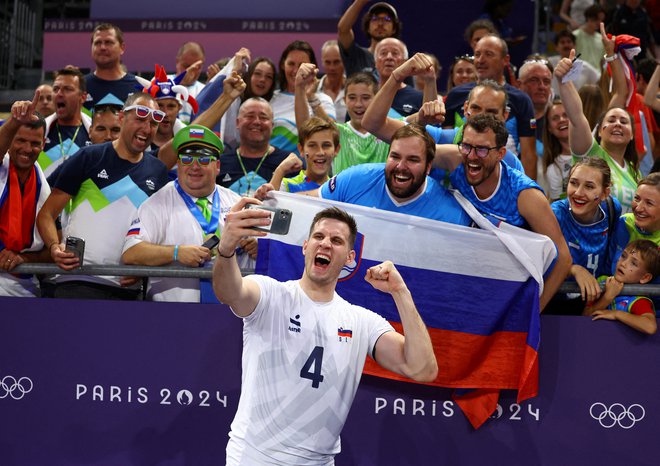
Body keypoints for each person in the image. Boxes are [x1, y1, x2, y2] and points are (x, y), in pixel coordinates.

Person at [213, 203, 437, 464]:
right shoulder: (270, 294)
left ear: (350, 258)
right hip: (254, 458)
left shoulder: (360, 320)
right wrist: (226, 249)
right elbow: (228, 292)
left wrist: (401, 292)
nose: (326, 244)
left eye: (336, 240)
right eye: (319, 237)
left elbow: (422, 369)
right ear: (306, 246)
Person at [36, 92, 169, 300]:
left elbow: (159, 231)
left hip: (128, 288)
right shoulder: (88, 157)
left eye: (153, 123)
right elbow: (46, 214)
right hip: (77, 281)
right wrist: (54, 247)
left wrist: (144, 268)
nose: (146, 128)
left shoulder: (158, 171)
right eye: (140, 119)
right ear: (122, 118)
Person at [434, 114, 572, 310]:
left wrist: (535, 311)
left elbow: (564, 258)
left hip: (509, 293)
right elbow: (410, 148)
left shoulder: (524, 194)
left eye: (482, 149)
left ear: (500, 154)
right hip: (466, 284)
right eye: (466, 146)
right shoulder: (456, 160)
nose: (472, 156)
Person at [121, 125, 252, 302]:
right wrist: (175, 253)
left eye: (204, 160)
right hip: (175, 315)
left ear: (218, 166)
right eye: (187, 159)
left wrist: (255, 246)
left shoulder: (236, 201)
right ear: (178, 164)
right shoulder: (157, 203)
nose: (194, 167)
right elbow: (130, 252)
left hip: (231, 312)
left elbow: (257, 248)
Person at [361, 54, 524, 176]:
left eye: (492, 112)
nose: (482, 117)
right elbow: (372, 124)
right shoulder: (439, 138)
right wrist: (397, 76)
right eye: (476, 108)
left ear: (505, 115)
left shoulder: (511, 164)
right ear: (465, 108)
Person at [311, 124, 472, 226]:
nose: (401, 167)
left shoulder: (451, 214)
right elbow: (306, 203)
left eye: (412, 160)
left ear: (428, 167)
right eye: (395, 157)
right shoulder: (356, 178)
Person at [556, 47, 641, 213]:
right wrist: (564, 81)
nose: (617, 124)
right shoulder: (591, 154)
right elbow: (577, 117)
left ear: (631, 135)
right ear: (600, 131)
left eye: (624, 121)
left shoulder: (634, 172)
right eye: (611, 120)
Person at [443, 34, 537, 179]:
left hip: (504, 182)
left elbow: (529, 155)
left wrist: (527, 193)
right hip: (461, 182)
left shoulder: (521, 100)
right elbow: (445, 143)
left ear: (505, 60)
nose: (480, 60)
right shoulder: (455, 95)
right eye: (477, 54)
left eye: (488, 54)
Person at [547, 157, 622, 315]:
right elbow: (541, 264)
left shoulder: (612, 208)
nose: (578, 193)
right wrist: (573, 269)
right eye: (574, 183)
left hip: (594, 302)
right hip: (553, 303)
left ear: (604, 193)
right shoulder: (554, 215)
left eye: (589, 186)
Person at [0, 93, 53, 297]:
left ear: (44, 144)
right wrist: (15, 120)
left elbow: (52, 247)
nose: (27, 149)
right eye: (20, 140)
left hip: (25, 288)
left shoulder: (43, 183)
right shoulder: (3, 165)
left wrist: (24, 260)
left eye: (35, 143)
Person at [269, 40, 336, 154]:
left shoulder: (323, 100)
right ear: (282, 65)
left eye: (301, 65)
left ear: (313, 67)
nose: (296, 71)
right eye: (291, 64)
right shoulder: (271, 99)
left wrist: (311, 97)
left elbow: (333, 134)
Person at [218, 97, 292, 196]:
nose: (257, 122)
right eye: (250, 116)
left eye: (263, 118)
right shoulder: (219, 164)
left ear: (272, 125)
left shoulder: (288, 163)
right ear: (237, 123)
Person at [586, 239, 659, 335]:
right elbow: (585, 315)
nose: (623, 263)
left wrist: (616, 314)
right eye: (623, 256)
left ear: (645, 278)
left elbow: (650, 327)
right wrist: (607, 298)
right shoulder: (601, 281)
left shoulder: (637, 301)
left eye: (633, 263)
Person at [37, 68, 92, 179]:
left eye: (67, 89)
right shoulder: (39, 131)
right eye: (56, 89)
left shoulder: (95, 133)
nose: (59, 94)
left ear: (83, 97)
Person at [270, 117, 338, 193]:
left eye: (326, 145)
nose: (320, 152)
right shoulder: (286, 185)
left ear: (336, 150)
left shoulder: (340, 190)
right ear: (301, 149)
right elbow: (268, 203)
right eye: (312, 145)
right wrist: (280, 171)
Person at [337, 1, 402, 79]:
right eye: (375, 19)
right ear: (368, 27)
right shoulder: (356, 55)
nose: (380, 23)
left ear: (394, 29)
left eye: (386, 19)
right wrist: (360, 2)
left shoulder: (400, 61)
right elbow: (343, 30)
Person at [84, 23, 139, 111]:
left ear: (122, 48)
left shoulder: (139, 88)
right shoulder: (79, 87)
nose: (102, 47)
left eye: (108, 42)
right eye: (97, 43)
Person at [373, 38, 425, 118]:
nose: (389, 57)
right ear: (375, 62)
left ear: (405, 62)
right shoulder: (366, 95)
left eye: (395, 53)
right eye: (383, 53)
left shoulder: (419, 98)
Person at [548, 30, 600, 96]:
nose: (566, 45)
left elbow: (599, 80)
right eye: (562, 42)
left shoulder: (584, 66)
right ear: (556, 47)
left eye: (569, 42)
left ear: (574, 45)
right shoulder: (550, 63)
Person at [542, 99, 572, 201]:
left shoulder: (591, 148)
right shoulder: (553, 169)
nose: (562, 120)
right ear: (549, 128)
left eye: (565, 115)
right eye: (555, 118)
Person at [171, 41, 207, 123]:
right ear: (177, 62)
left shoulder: (204, 90)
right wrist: (181, 83)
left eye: (197, 67)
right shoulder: (161, 81)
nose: (191, 70)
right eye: (186, 66)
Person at [318, 40, 347, 123]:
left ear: (344, 61)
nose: (332, 68)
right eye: (327, 62)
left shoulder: (353, 90)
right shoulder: (312, 91)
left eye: (336, 62)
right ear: (322, 62)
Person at [573, 4, 606, 72]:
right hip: (579, 76)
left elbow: (602, 61)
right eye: (596, 19)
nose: (599, 22)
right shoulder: (575, 35)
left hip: (597, 77)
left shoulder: (602, 39)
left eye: (601, 20)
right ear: (588, 18)